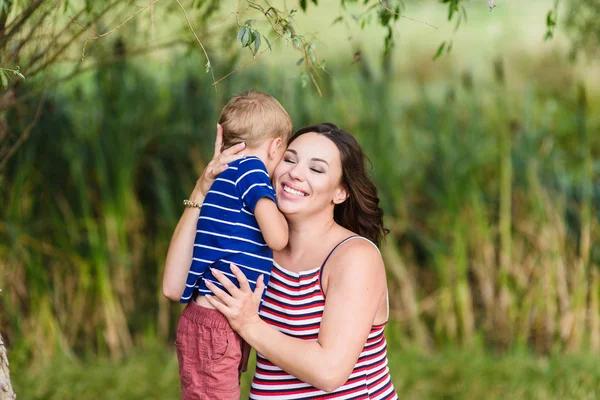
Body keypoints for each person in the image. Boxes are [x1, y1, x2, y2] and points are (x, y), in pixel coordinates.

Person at [163, 122, 398, 399]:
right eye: (289, 159)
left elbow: (329, 372)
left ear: (341, 192)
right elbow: (175, 287)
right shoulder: (258, 244)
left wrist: (249, 324)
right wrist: (203, 191)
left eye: (317, 168)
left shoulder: (354, 257)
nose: (295, 173)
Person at [170, 90, 292, 400]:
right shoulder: (252, 172)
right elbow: (277, 238)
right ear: (276, 145)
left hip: (210, 319)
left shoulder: (221, 176)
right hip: (218, 322)